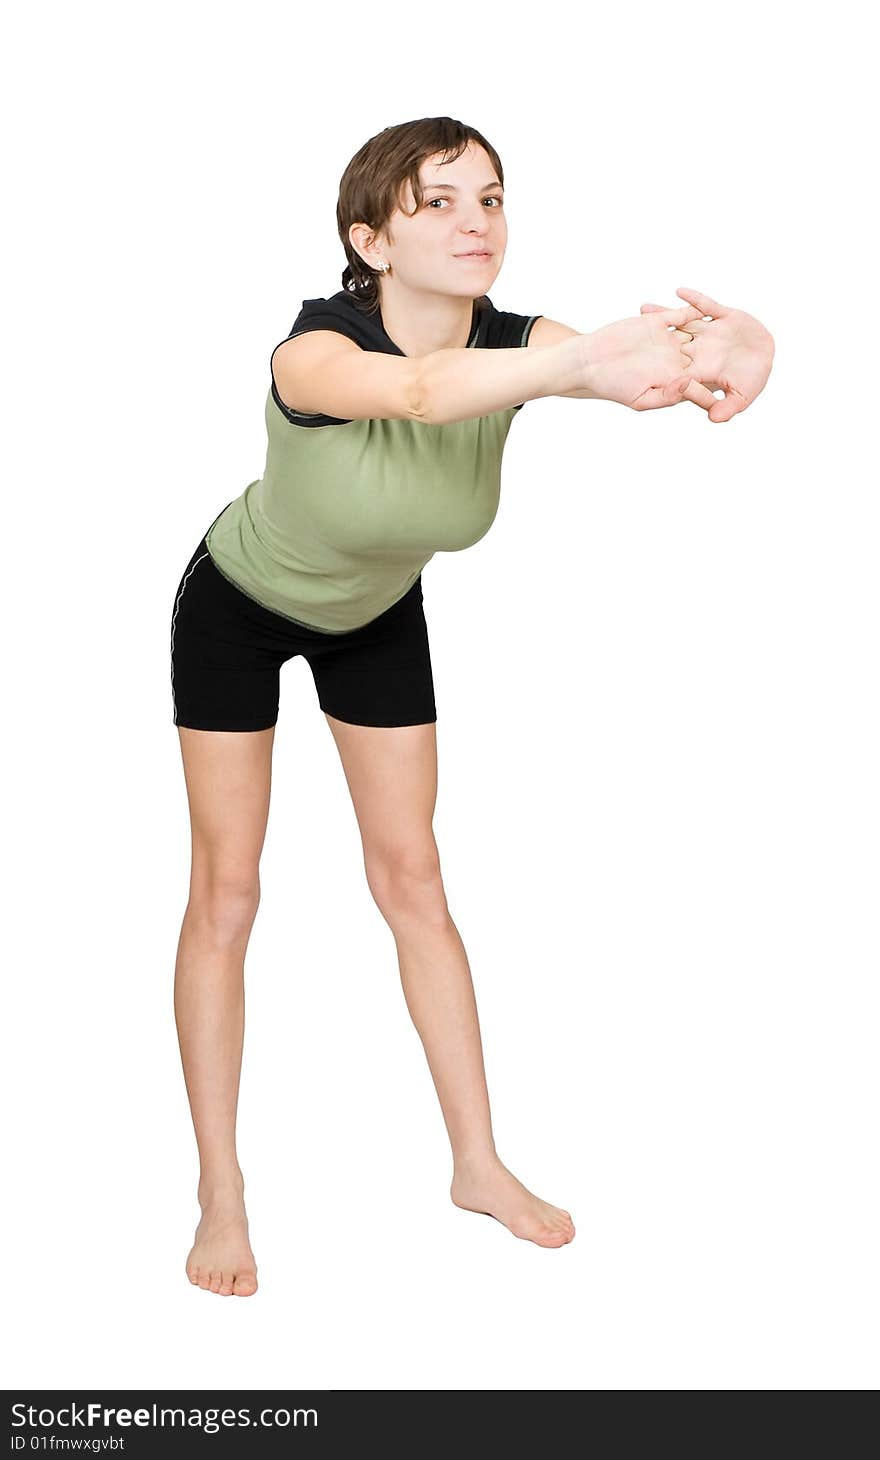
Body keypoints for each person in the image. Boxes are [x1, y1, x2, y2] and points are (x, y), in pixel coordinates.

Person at [170, 116, 775, 1298]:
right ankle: (221, 1189)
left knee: (413, 880)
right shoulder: (314, 348)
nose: (474, 223)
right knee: (229, 892)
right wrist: (578, 362)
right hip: (237, 606)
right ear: (370, 238)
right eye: (436, 201)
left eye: (491, 199)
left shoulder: (522, 341)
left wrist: (737, 347)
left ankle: (478, 1164)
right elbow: (430, 391)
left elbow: (648, 363)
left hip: (377, 611)